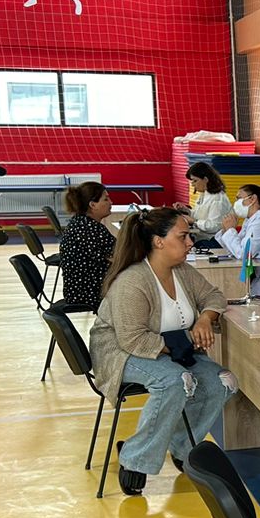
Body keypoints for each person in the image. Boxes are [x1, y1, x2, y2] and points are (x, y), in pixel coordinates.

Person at [90, 208, 237, 496]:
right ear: (158, 241)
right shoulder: (133, 281)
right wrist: (184, 342)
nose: (190, 242)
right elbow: (132, 339)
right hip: (122, 353)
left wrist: (206, 318)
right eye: (183, 236)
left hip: (169, 351)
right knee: (176, 381)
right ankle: (134, 458)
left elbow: (214, 296)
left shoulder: (182, 271)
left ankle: (184, 448)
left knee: (224, 381)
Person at [58, 181, 116, 310]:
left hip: (77, 290)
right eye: (106, 199)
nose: (110, 202)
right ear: (92, 205)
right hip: (88, 293)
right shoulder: (90, 229)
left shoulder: (80, 222)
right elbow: (120, 256)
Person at [177, 162, 231, 237]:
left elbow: (214, 226)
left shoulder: (217, 199)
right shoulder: (204, 194)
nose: (192, 184)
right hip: (202, 237)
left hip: (213, 241)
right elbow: (200, 215)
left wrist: (194, 222)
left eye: (195, 181)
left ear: (205, 179)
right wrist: (188, 211)